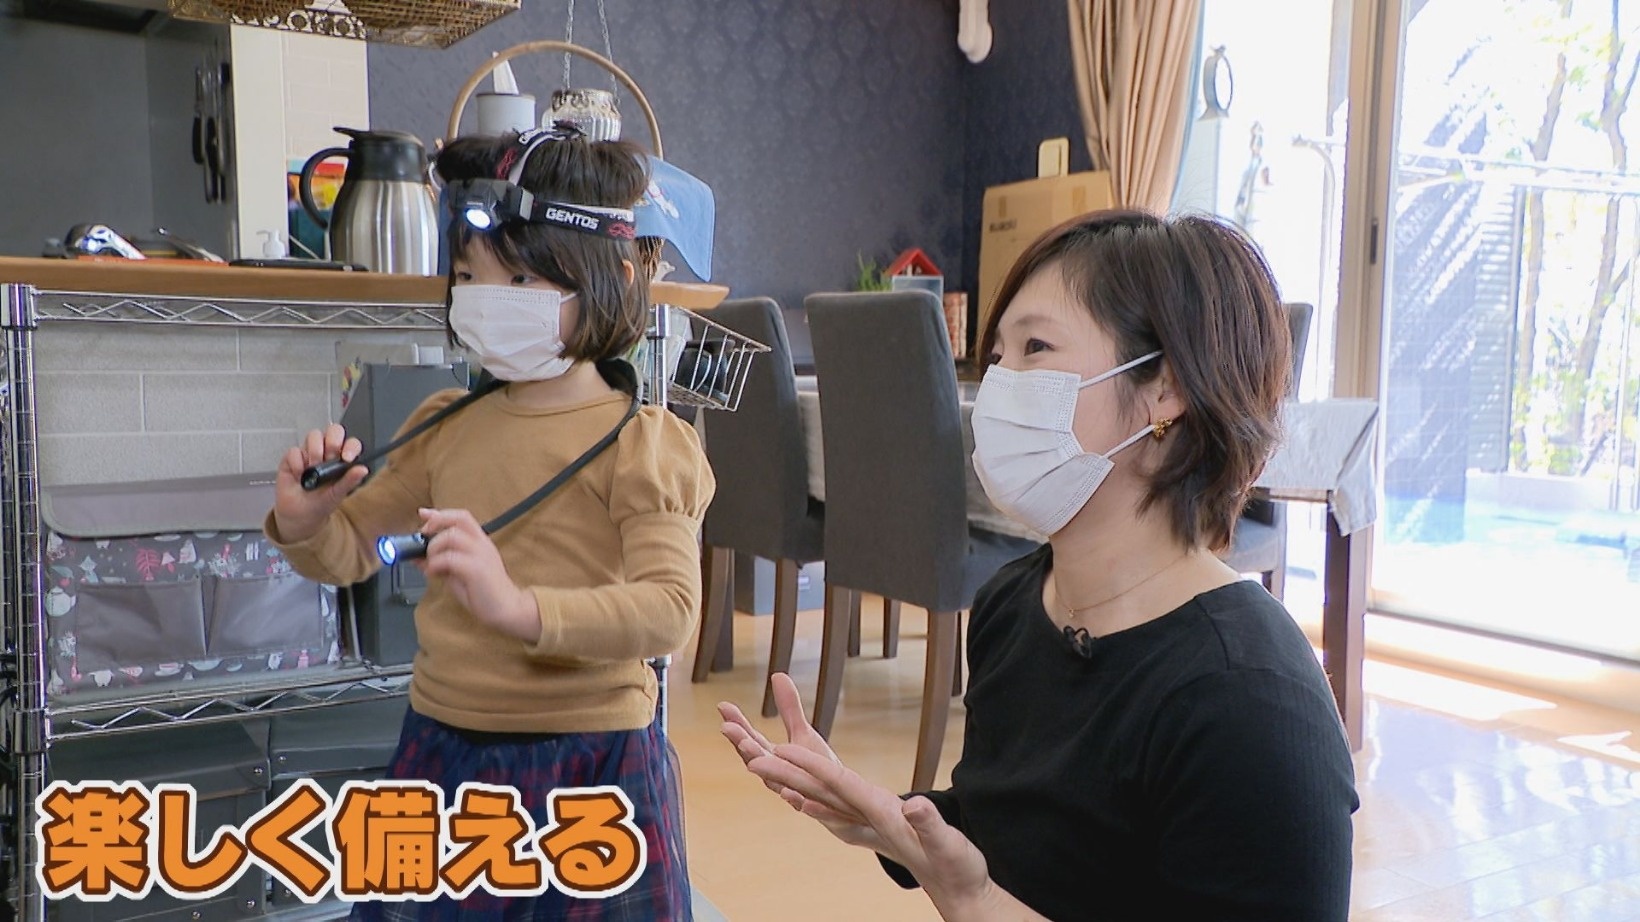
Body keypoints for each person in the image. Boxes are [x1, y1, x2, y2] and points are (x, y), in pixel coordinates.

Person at [718, 210, 1359, 921]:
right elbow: (1013, 825)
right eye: (998, 356)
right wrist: (887, 822)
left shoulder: (1251, 705)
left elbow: (992, 887)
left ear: (1166, 390)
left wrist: (977, 902)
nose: (1000, 386)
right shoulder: (1015, 605)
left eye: (1036, 348)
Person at [266, 126, 714, 921]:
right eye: (470, 275)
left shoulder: (645, 443)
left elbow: (669, 610)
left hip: (593, 764)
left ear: (609, 279)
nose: (484, 296)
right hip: (442, 747)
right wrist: (306, 524)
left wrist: (518, 608)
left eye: (521, 278)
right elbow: (354, 550)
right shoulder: (444, 423)